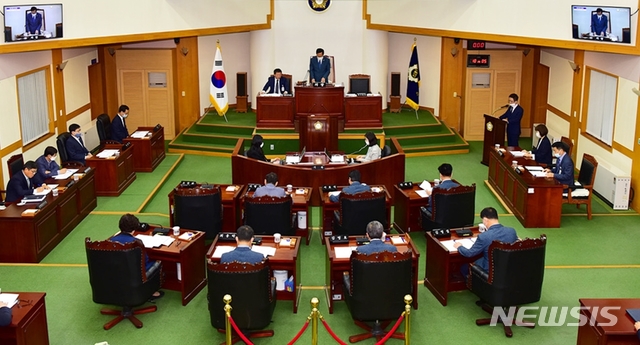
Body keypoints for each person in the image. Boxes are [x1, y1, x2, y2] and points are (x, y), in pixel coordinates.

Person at [110, 214, 164, 300]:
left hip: (116, 275)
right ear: (135, 228)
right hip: (135, 276)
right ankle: (151, 292)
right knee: (156, 262)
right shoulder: (136, 243)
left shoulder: (111, 241)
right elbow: (144, 262)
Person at [454, 207, 518, 274]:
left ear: (485, 220)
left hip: (489, 270)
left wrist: (459, 246)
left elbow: (469, 253)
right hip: (508, 267)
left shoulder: (484, 236)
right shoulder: (511, 231)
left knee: (464, 268)